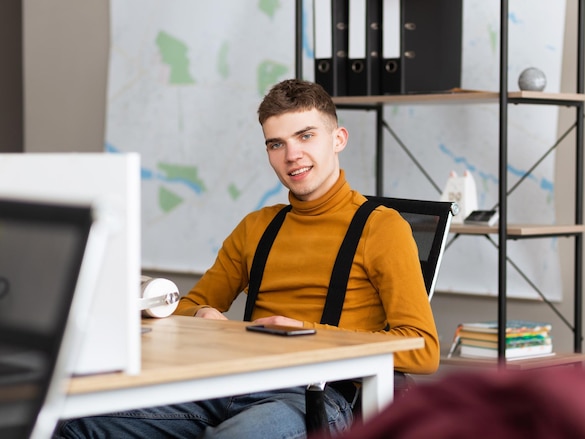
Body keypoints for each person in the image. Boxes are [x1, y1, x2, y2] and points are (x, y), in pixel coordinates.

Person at [56, 78, 439, 439]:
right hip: (233, 382)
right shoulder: (257, 226)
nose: (293, 155)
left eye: (306, 136)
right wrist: (202, 316)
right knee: (65, 420)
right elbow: (186, 306)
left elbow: (423, 349)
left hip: (318, 396)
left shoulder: (382, 228)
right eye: (276, 144)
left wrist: (307, 335)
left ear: (337, 139)